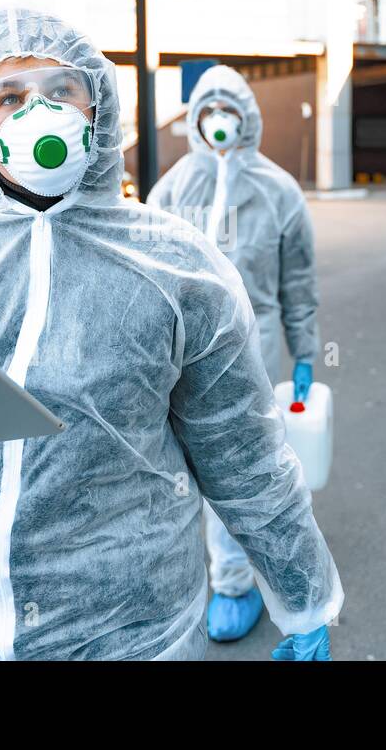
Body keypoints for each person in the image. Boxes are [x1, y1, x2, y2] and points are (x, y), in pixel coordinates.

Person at [0, 7, 342, 660]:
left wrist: (303, 596)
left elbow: (243, 454)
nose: (38, 114)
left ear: (97, 107)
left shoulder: (176, 264)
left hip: (136, 630)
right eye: (9, 97)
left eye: (61, 92)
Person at [147, 65, 320, 643]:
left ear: (249, 117)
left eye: (230, 109)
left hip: (255, 344)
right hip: (179, 347)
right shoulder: (170, 189)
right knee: (173, 462)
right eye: (209, 110)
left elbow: (299, 282)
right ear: (194, 119)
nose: (219, 121)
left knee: (242, 463)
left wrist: (305, 352)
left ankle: (233, 582)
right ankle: (181, 577)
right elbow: (142, 275)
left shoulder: (278, 191)